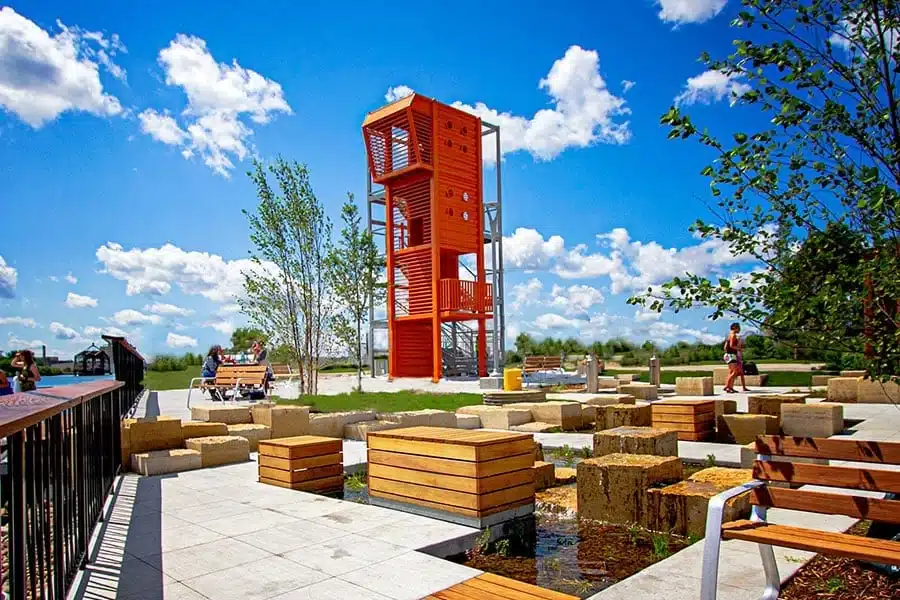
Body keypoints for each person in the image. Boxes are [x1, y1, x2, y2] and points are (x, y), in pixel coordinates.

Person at [723, 323, 749, 393]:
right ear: (735, 328)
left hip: (729, 355)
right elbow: (731, 345)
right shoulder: (733, 335)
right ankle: (727, 387)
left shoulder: (729, 335)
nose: (740, 329)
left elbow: (725, 347)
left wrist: (728, 353)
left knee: (732, 372)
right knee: (735, 372)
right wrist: (739, 349)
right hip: (731, 355)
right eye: (739, 328)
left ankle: (730, 387)